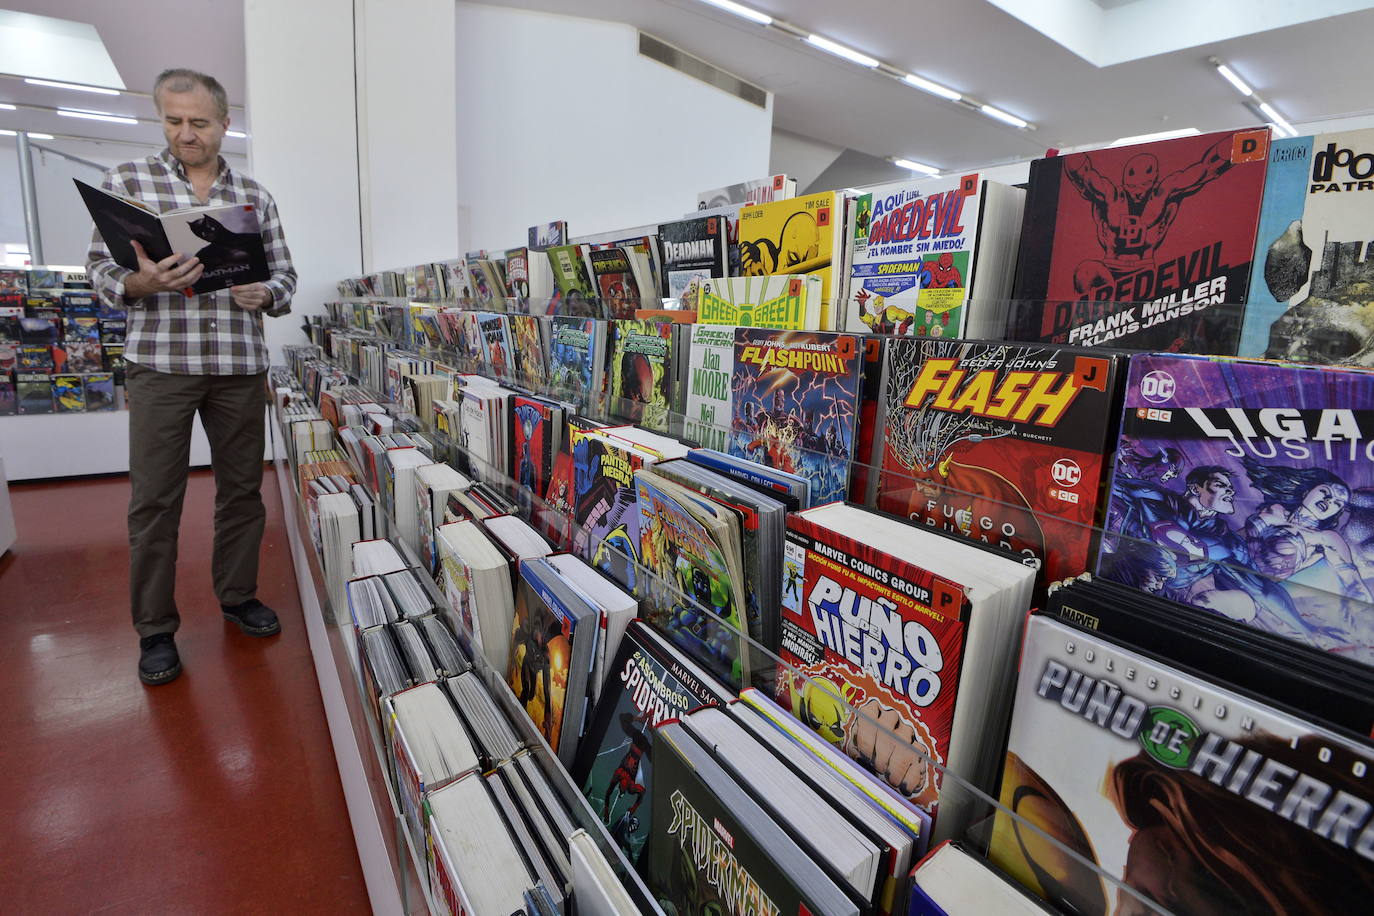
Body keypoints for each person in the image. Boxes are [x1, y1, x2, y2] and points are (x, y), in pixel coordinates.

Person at [86, 68, 297, 686]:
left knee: (242, 493)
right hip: (160, 364)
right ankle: (154, 629)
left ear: (224, 123)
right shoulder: (128, 182)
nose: (186, 133)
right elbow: (100, 268)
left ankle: (238, 596)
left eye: (199, 123)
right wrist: (139, 282)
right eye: (173, 121)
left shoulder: (255, 196)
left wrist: (266, 293)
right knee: (154, 500)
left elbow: (286, 277)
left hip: (236, 365)